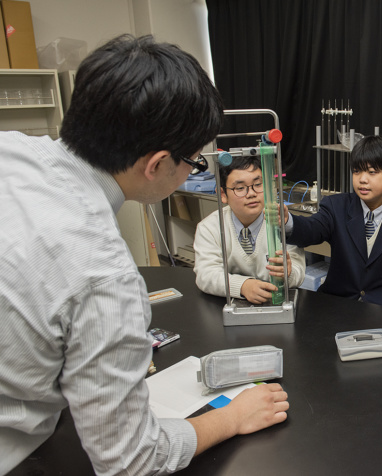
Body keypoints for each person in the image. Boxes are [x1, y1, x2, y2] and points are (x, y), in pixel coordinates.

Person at [0, 35, 288, 475]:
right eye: (193, 161)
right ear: (156, 165)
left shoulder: (11, 150)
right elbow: (129, 460)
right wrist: (232, 416)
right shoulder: (103, 272)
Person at [284, 134, 382, 310]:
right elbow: (312, 229)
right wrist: (288, 220)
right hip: (339, 306)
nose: (362, 179)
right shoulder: (336, 207)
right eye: (357, 171)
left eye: (372, 172)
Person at [194, 154, 305, 303]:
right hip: (227, 306)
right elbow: (206, 274)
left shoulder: (280, 222)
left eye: (258, 185)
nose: (251, 194)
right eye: (240, 188)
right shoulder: (210, 227)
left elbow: (298, 271)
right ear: (222, 194)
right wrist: (242, 286)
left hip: (275, 303)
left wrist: (288, 274)